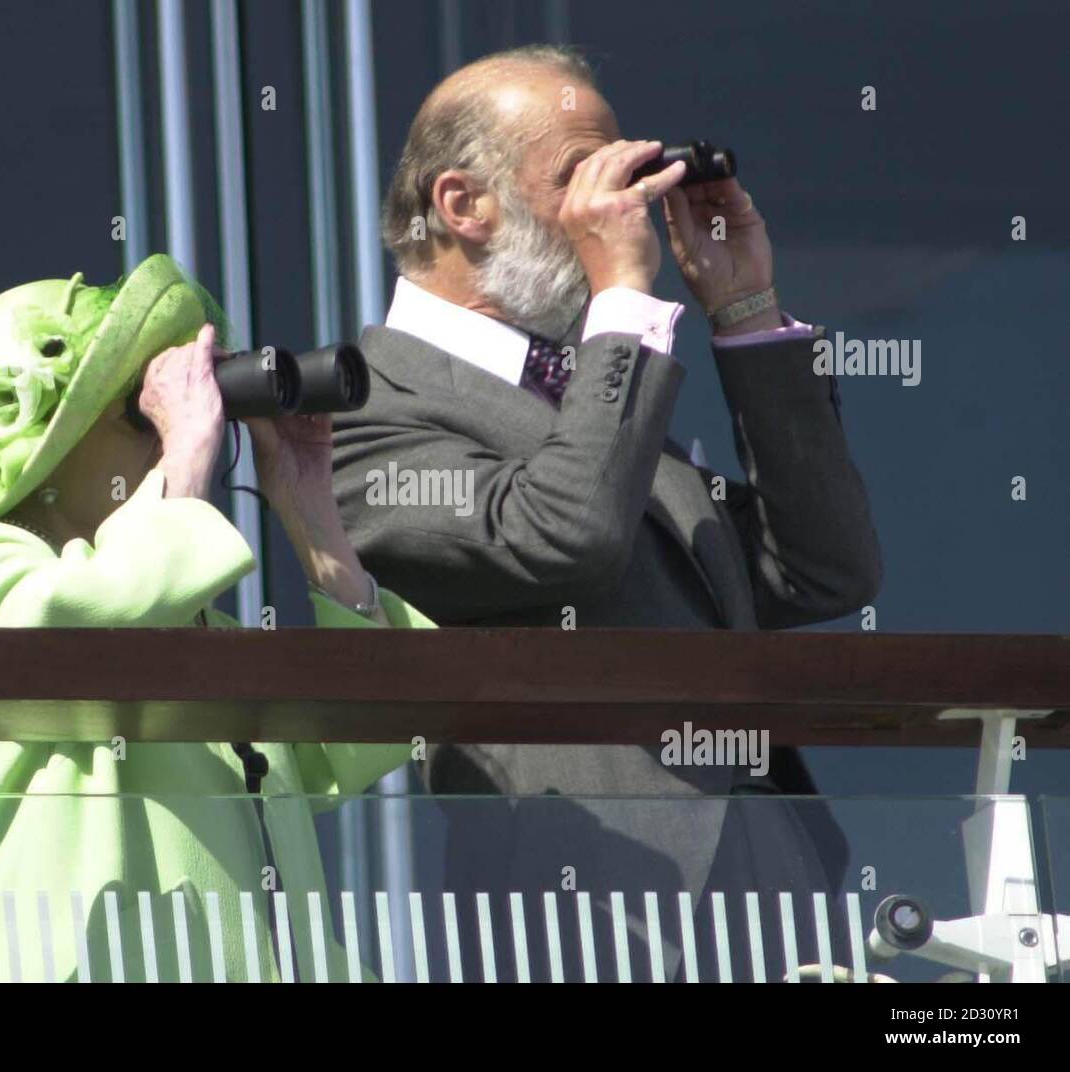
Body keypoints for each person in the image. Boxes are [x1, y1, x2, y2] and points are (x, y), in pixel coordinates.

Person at [331, 46, 881, 980]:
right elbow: (562, 538)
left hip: (775, 917)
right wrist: (623, 302)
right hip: (585, 921)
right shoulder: (367, 405)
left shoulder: (591, 388)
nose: (618, 206)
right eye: (579, 176)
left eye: (619, 172)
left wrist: (745, 311)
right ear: (463, 205)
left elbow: (822, 571)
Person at [0, 254, 433, 982]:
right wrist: (185, 454)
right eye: (136, 409)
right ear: (40, 450)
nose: (172, 423)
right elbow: (90, 626)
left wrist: (312, 515)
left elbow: (369, 729)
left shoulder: (193, 631)